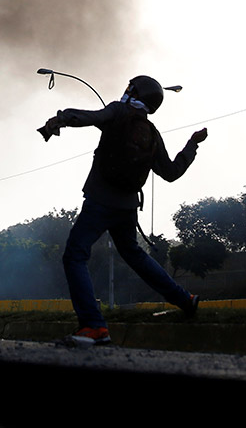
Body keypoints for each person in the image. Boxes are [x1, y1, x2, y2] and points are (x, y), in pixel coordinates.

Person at [38, 75, 208, 346]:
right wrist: (192, 145)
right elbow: (172, 172)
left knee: (74, 256)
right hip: (127, 208)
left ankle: (93, 326)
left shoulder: (118, 112)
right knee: (134, 255)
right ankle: (185, 300)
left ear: (133, 92)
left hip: (100, 201)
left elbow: (90, 117)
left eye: (129, 87)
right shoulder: (152, 134)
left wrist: (60, 118)